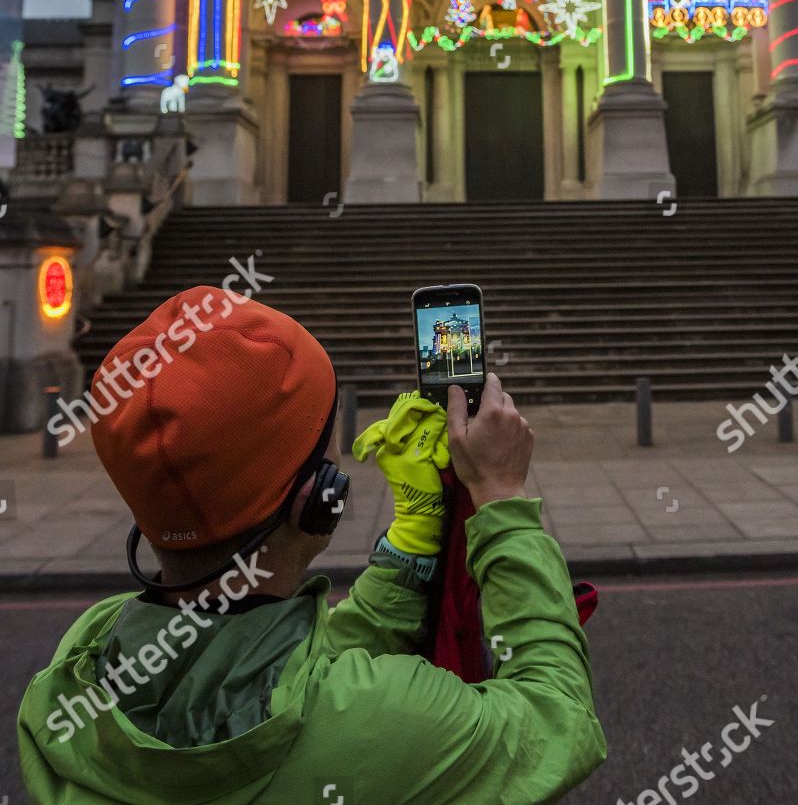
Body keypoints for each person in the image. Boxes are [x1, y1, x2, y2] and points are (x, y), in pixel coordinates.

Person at [18, 288, 607, 802]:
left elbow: (289, 665)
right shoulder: (390, 723)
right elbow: (559, 720)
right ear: (315, 497)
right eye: (327, 441)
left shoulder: (82, 661)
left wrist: (413, 540)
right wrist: (502, 501)